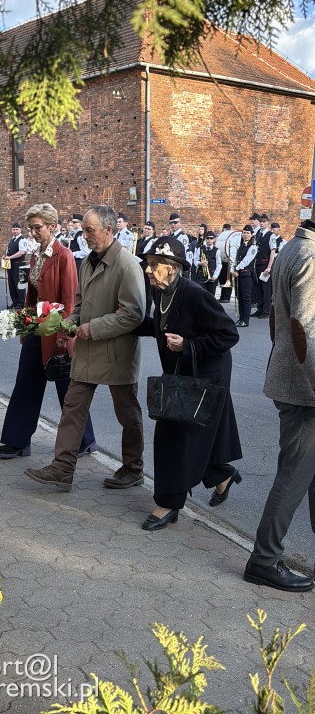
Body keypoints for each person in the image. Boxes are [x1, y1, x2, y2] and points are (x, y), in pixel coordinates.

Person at [24, 204, 145, 491]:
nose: (85, 236)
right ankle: (62, 468)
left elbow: (134, 313)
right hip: (87, 351)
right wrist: (64, 324)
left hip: (117, 354)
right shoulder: (88, 261)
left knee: (127, 414)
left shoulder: (127, 264)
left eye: (90, 231)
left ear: (109, 230)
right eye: (83, 230)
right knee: (73, 407)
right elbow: (79, 306)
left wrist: (94, 327)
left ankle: (133, 468)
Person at [136, 237, 242, 530]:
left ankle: (167, 503)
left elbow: (229, 335)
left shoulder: (195, 294)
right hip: (183, 371)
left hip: (206, 371)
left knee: (175, 435)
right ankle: (220, 475)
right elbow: (162, 326)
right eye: (148, 263)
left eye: (154, 264)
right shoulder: (161, 291)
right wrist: (126, 323)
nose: (147, 269)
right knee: (194, 433)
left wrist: (189, 345)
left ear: (171, 268)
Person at [243, 212, 315, 592]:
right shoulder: (311, 255)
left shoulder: (293, 246)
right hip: (307, 392)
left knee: (309, 477)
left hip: (293, 381)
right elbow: (305, 328)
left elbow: (275, 316)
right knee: (293, 478)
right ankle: (264, 561)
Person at [0, 203, 96, 460]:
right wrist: (24, 326)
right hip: (35, 330)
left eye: (37, 228)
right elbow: (31, 295)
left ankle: (85, 440)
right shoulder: (35, 254)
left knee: (67, 391)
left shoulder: (64, 256)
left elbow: (70, 304)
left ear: (53, 227)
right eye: (30, 228)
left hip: (58, 335)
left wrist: (64, 336)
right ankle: (17, 440)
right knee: (26, 384)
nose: (33, 233)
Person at [231, 225, 257, 327]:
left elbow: (247, 260)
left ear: (251, 235)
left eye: (247, 233)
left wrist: (237, 268)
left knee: (246, 298)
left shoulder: (253, 247)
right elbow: (236, 260)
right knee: (240, 297)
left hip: (246, 275)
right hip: (239, 274)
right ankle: (241, 318)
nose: (245, 235)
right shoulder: (241, 247)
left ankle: (245, 320)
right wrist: (232, 269)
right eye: (244, 233)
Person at [252, 213, 275, 319]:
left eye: (264, 221)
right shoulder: (257, 234)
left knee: (266, 289)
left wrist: (269, 267)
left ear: (267, 223)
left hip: (265, 264)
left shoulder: (271, 235)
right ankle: (260, 308)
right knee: (258, 288)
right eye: (260, 221)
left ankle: (266, 310)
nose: (261, 223)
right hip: (257, 264)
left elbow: (272, 251)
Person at [4, 223, 28, 309]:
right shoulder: (11, 240)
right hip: (11, 265)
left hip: (19, 265)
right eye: (14, 229)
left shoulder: (22, 240)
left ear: (20, 230)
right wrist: (5, 256)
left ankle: (21, 302)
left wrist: (10, 257)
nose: (15, 231)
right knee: (12, 284)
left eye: (17, 229)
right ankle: (15, 301)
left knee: (19, 284)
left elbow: (22, 252)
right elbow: (8, 251)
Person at [135, 220, 157, 315]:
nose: (147, 230)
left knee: (147, 291)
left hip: (146, 267)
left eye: (149, 229)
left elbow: (145, 254)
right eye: (145, 228)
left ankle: (147, 313)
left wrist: (132, 259)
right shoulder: (140, 240)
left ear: (153, 231)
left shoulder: (153, 240)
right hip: (138, 267)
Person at [193, 230, 221, 295]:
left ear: (214, 239)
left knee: (211, 296)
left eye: (211, 238)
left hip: (212, 276)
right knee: (200, 295)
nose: (209, 240)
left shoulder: (217, 250)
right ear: (205, 239)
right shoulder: (200, 248)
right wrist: (200, 263)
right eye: (207, 238)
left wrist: (215, 276)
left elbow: (219, 264)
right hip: (201, 276)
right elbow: (195, 260)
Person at [218, 223, 233, 303]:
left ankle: (227, 297)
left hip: (229, 261)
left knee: (228, 279)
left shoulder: (232, 237)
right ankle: (222, 296)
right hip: (222, 260)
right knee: (222, 279)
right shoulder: (221, 237)